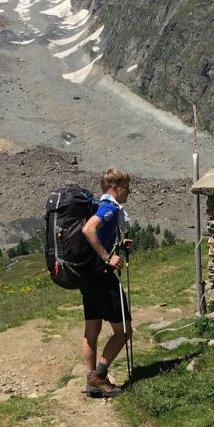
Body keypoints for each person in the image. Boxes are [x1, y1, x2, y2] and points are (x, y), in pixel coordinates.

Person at [79, 168, 133, 398]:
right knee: (124, 331)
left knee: (92, 330)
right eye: (125, 188)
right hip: (102, 277)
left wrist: (117, 246)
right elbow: (88, 229)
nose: (128, 192)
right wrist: (108, 257)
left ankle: (91, 379)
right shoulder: (109, 208)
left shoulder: (98, 205)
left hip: (88, 277)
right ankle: (98, 377)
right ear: (114, 188)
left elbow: (96, 234)